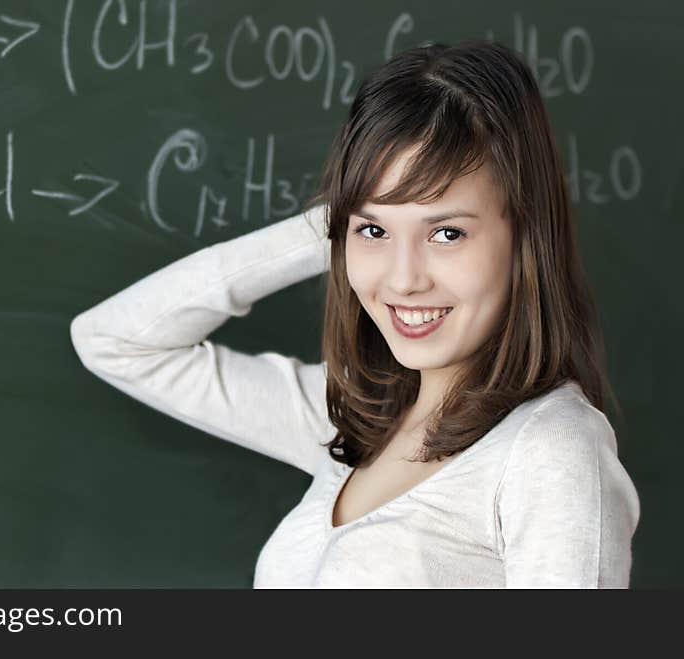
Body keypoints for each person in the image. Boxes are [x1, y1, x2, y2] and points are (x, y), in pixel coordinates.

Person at [69, 40, 640, 588]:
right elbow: (114, 340)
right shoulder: (346, 418)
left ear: (525, 238)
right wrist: (335, 222)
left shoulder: (551, 450)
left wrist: (370, 214)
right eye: (374, 231)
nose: (402, 279)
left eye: (446, 232)